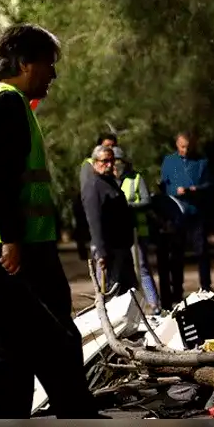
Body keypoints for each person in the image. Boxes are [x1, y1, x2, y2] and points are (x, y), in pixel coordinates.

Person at [0, 23, 98, 418]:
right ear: (26, 64)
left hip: (0, 246)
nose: (53, 75)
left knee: (13, 349)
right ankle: (78, 417)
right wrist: (11, 239)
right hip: (17, 251)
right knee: (56, 339)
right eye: (49, 64)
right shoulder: (7, 104)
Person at [159, 132, 214, 297]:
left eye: (188, 147)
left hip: (196, 212)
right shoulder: (169, 161)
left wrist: (194, 190)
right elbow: (163, 185)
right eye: (182, 147)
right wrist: (171, 194)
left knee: (202, 251)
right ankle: (176, 289)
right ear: (177, 145)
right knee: (176, 253)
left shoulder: (202, 162)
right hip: (176, 213)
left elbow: (210, 185)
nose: (185, 150)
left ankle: (206, 286)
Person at [82, 145, 138, 296]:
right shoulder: (93, 185)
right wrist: (100, 252)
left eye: (112, 161)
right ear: (95, 162)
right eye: (105, 161)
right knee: (113, 294)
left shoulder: (110, 182)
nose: (109, 164)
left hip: (122, 248)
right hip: (108, 251)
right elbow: (94, 220)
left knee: (130, 292)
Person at [114, 147, 160, 314]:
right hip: (118, 234)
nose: (116, 166)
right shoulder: (108, 180)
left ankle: (154, 305)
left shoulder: (136, 178)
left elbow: (147, 200)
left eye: (119, 162)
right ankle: (130, 309)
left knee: (142, 268)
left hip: (137, 232)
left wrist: (128, 206)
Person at [73, 133, 117, 260]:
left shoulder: (115, 165)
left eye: (113, 146)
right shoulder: (90, 168)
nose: (111, 148)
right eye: (108, 145)